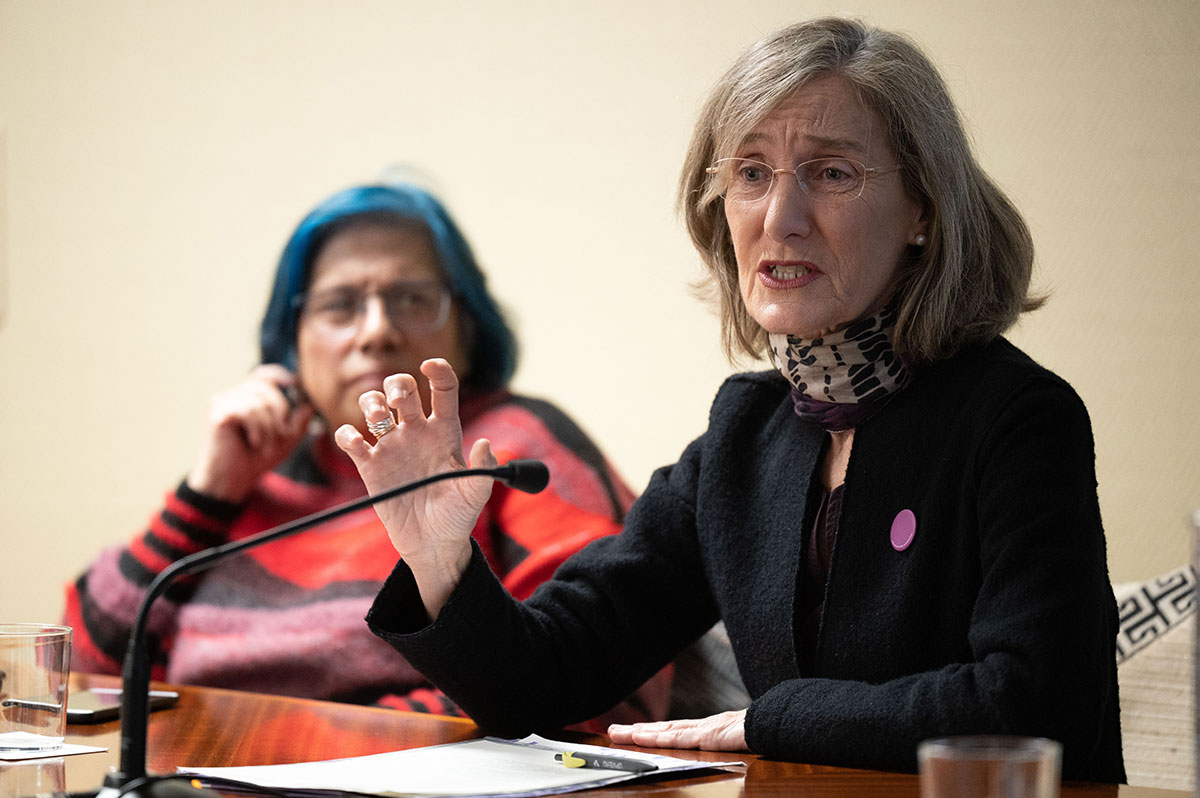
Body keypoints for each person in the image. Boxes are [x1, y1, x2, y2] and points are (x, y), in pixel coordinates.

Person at [336, 18, 1125, 781]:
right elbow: (546, 677)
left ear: (923, 208)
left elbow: (1033, 704)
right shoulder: (746, 435)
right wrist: (440, 560)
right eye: (751, 173)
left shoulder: (1018, 420)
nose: (780, 218)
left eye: (832, 173)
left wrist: (767, 721)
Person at [63, 182, 669, 728]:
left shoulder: (513, 448)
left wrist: (298, 747)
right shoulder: (252, 470)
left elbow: (588, 683)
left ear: (467, 327)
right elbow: (84, 673)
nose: (377, 330)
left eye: (412, 299)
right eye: (340, 305)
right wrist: (207, 492)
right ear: (293, 340)